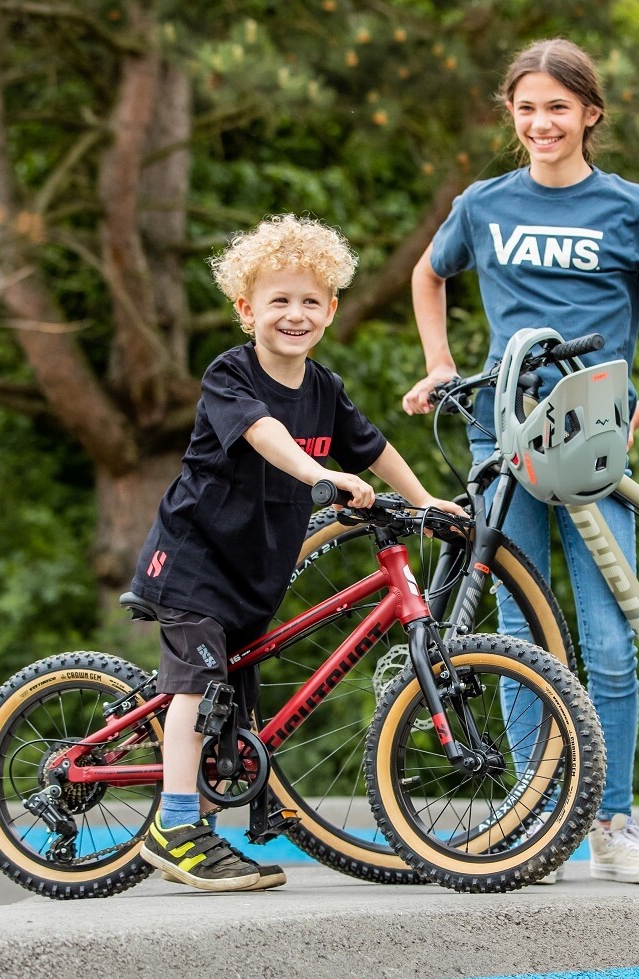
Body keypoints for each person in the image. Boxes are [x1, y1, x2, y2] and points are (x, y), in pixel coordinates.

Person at [403, 39, 639, 884]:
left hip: (590, 443)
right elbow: (428, 275)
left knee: (611, 640)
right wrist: (439, 364)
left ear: (590, 114)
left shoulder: (631, 208)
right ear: (510, 116)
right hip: (502, 440)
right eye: (526, 108)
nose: (541, 122)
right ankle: (536, 817)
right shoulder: (483, 204)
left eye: (557, 107)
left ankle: (611, 824)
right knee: (520, 635)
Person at [135, 214, 464, 892]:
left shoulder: (323, 388)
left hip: (256, 570)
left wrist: (424, 500)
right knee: (198, 685)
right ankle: (174, 827)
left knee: (234, 703)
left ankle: (206, 827)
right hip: (196, 559)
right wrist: (320, 475)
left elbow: (371, 447)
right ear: (245, 309)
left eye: (310, 301)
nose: (295, 314)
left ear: (331, 311)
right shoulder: (230, 375)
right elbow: (263, 435)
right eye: (278, 300)